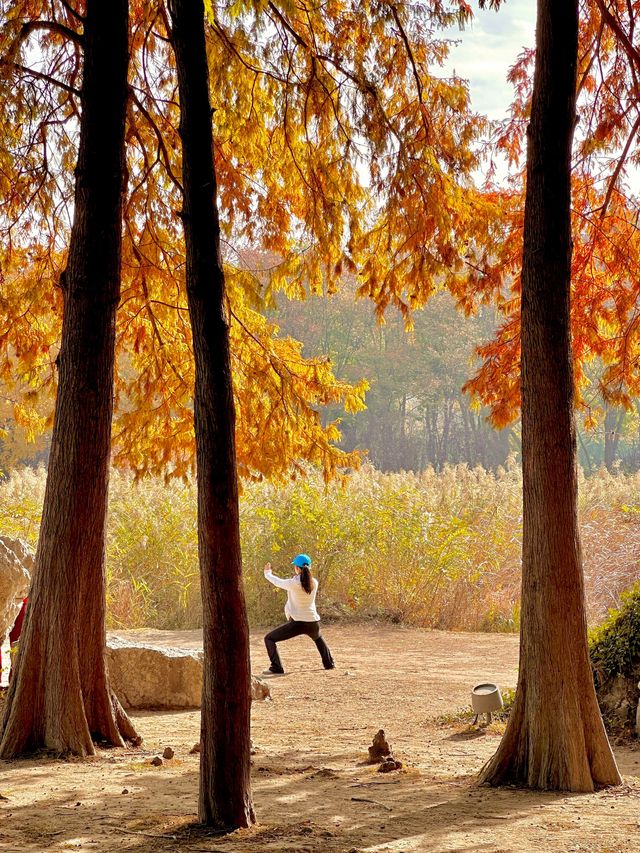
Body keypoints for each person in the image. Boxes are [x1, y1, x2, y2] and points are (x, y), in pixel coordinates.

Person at [263, 554, 335, 675]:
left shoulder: (294, 583)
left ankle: (276, 667)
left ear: (297, 568)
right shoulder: (314, 582)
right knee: (318, 638)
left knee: (269, 638)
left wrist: (267, 573)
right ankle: (329, 664)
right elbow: (303, 581)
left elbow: (277, 582)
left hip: (298, 623)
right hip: (313, 622)